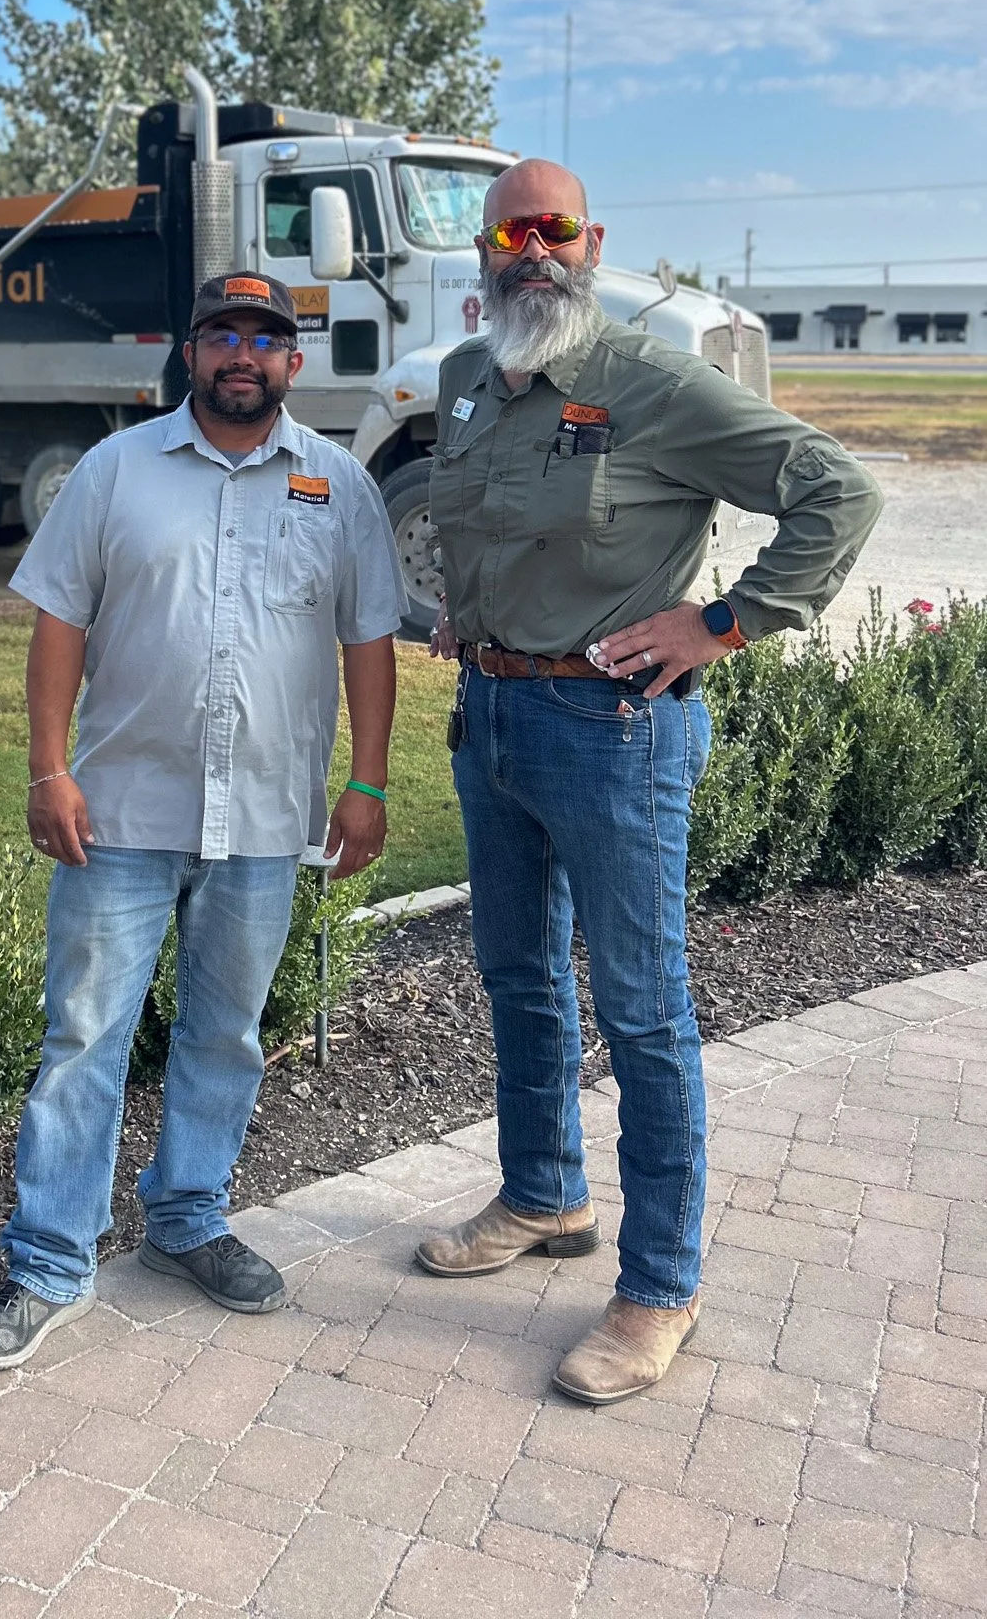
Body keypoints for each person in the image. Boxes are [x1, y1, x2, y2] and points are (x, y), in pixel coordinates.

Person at [420, 158, 882, 1404]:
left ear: (591, 242)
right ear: (484, 252)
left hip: (611, 726)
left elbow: (839, 491)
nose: (532, 249)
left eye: (554, 228)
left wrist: (724, 622)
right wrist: (470, 608)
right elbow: (476, 521)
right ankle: (542, 1192)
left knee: (641, 1009)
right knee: (517, 973)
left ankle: (660, 1285)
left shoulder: (651, 379)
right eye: (510, 232)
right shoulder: (466, 377)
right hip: (493, 714)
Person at [0, 271, 403, 1370]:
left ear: (293, 360)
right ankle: (50, 1260)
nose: (242, 354)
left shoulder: (340, 483)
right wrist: (47, 769)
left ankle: (188, 1218)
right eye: (221, 335)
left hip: (264, 815)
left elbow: (368, 640)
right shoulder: (115, 470)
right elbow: (59, 623)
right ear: (190, 352)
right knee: (83, 1037)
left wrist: (371, 782)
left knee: (226, 1032)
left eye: (264, 338)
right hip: (120, 811)